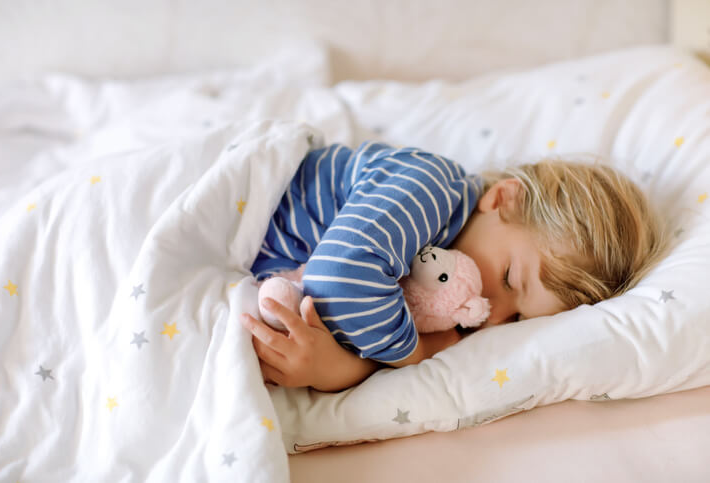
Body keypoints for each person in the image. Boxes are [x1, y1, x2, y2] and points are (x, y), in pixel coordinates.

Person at [240, 141, 666, 392]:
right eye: (508, 279)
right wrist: (409, 356)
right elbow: (339, 278)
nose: (490, 314)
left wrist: (338, 364)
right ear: (503, 199)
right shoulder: (430, 188)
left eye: (516, 319)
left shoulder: (433, 294)